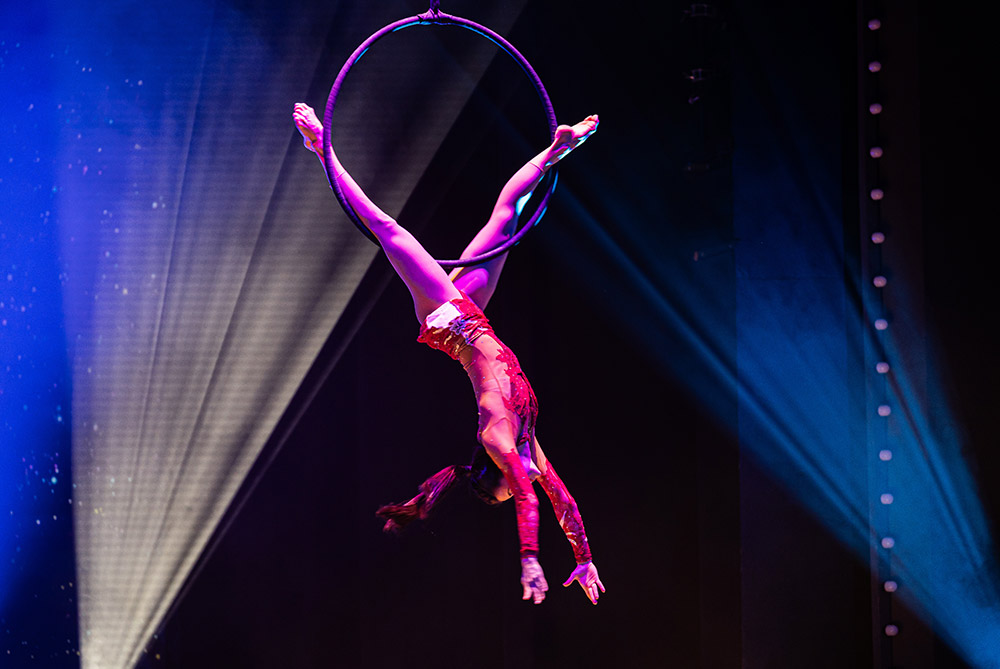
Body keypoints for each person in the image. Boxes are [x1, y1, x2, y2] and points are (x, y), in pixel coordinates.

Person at [293, 102, 605, 605]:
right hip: (472, 315)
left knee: (388, 229)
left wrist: (530, 559)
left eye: (508, 486)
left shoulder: (499, 437)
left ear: (498, 471)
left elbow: (529, 498)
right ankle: (556, 150)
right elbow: (562, 502)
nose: (518, 484)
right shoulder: (528, 445)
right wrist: (583, 557)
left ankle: (321, 148)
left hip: (447, 320)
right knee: (507, 218)